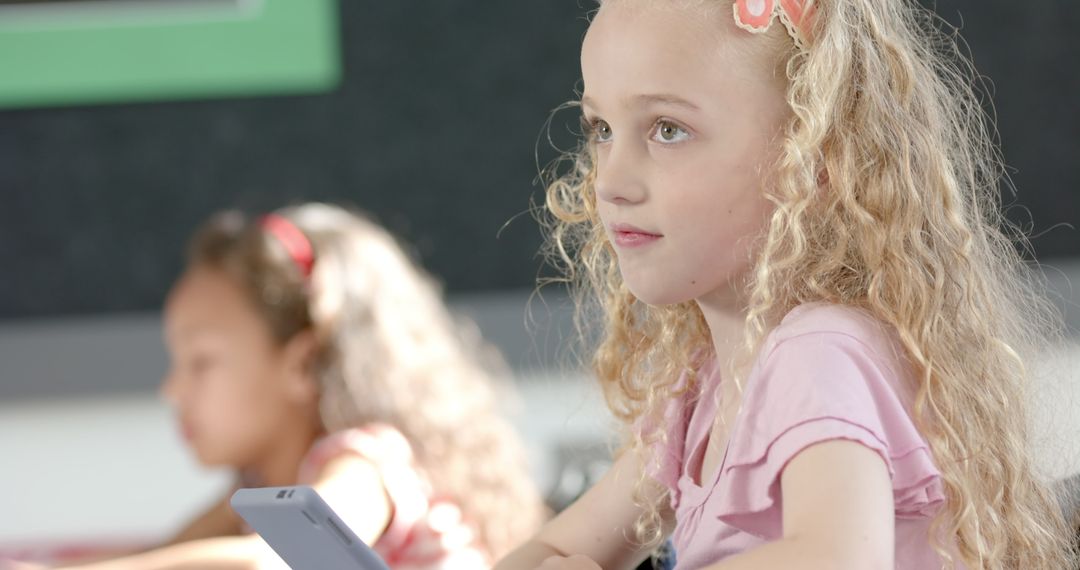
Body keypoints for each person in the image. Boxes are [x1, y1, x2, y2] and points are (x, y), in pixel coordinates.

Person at [495, 0, 1074, 568]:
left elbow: (838, 557)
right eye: (601, 129)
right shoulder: (701, 391)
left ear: (815, 157)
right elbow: (557, 547)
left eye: (668, 130)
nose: (610, 180)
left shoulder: (816, 352)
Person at [29, 203, 543, 570]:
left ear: (301, 364)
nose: (172, 389)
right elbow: (157, 558)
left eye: (201, 362)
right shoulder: (257, 492)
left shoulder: (367, 464)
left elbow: (270, 562)